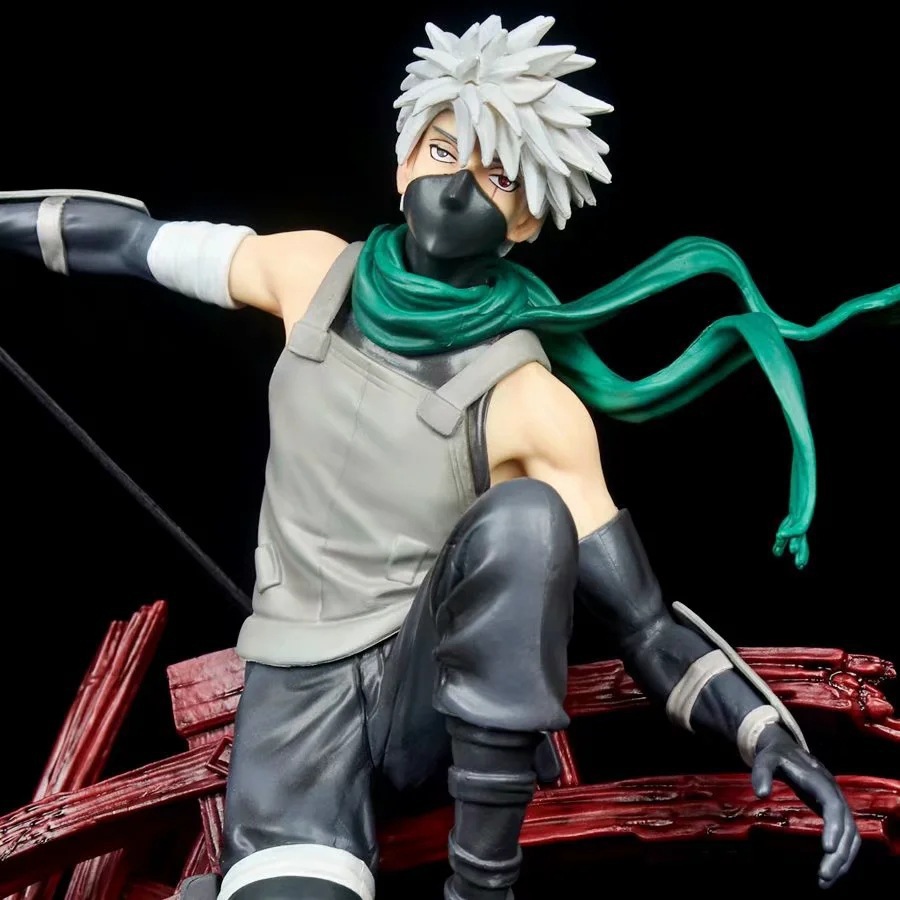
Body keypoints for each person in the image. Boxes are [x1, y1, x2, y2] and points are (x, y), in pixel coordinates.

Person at [5, 13, 890, 900]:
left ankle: (482, 885)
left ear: (526, 218)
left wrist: (768, 736)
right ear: (402, 162)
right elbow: (134, 241)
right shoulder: (311, 275)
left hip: (428, 700)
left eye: (496, 176)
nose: (458, 189)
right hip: (295, 702)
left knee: (528, 518)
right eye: (441, 151)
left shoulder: (528, 401)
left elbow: (646, 626)